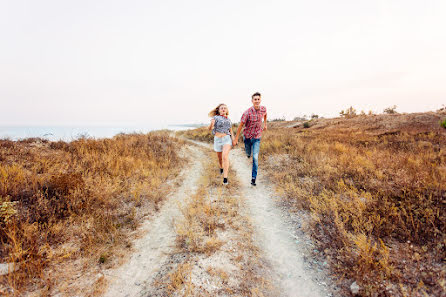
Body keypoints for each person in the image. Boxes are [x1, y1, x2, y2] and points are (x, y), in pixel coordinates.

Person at [234, 92, 267, 186]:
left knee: (255, 158)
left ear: (260, 100)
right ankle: (248, 154)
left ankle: (253, 178)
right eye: (255, 99)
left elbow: (265, 114)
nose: (257, 101)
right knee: (248, 153)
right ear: (252, 101)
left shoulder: (263, 109)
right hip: (247, 137)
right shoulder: (247, 113)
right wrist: (236, 139)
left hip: (257, 137)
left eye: (258, 99)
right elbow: (240, 126)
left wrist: (265, 124)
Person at [208, 103, 235, 185]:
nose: (223, 109)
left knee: (225, 157)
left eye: (225, 108)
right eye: (221, 108)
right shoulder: (215, 118)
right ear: (219, 110)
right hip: (217, 139)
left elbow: (230, 130)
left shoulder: (229, 120)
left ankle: (225, 178)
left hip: (227, 139)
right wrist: (212, 124)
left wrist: (233, 139)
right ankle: (221, 167)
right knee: (220, 158)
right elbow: (210, 129)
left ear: (226, 110)